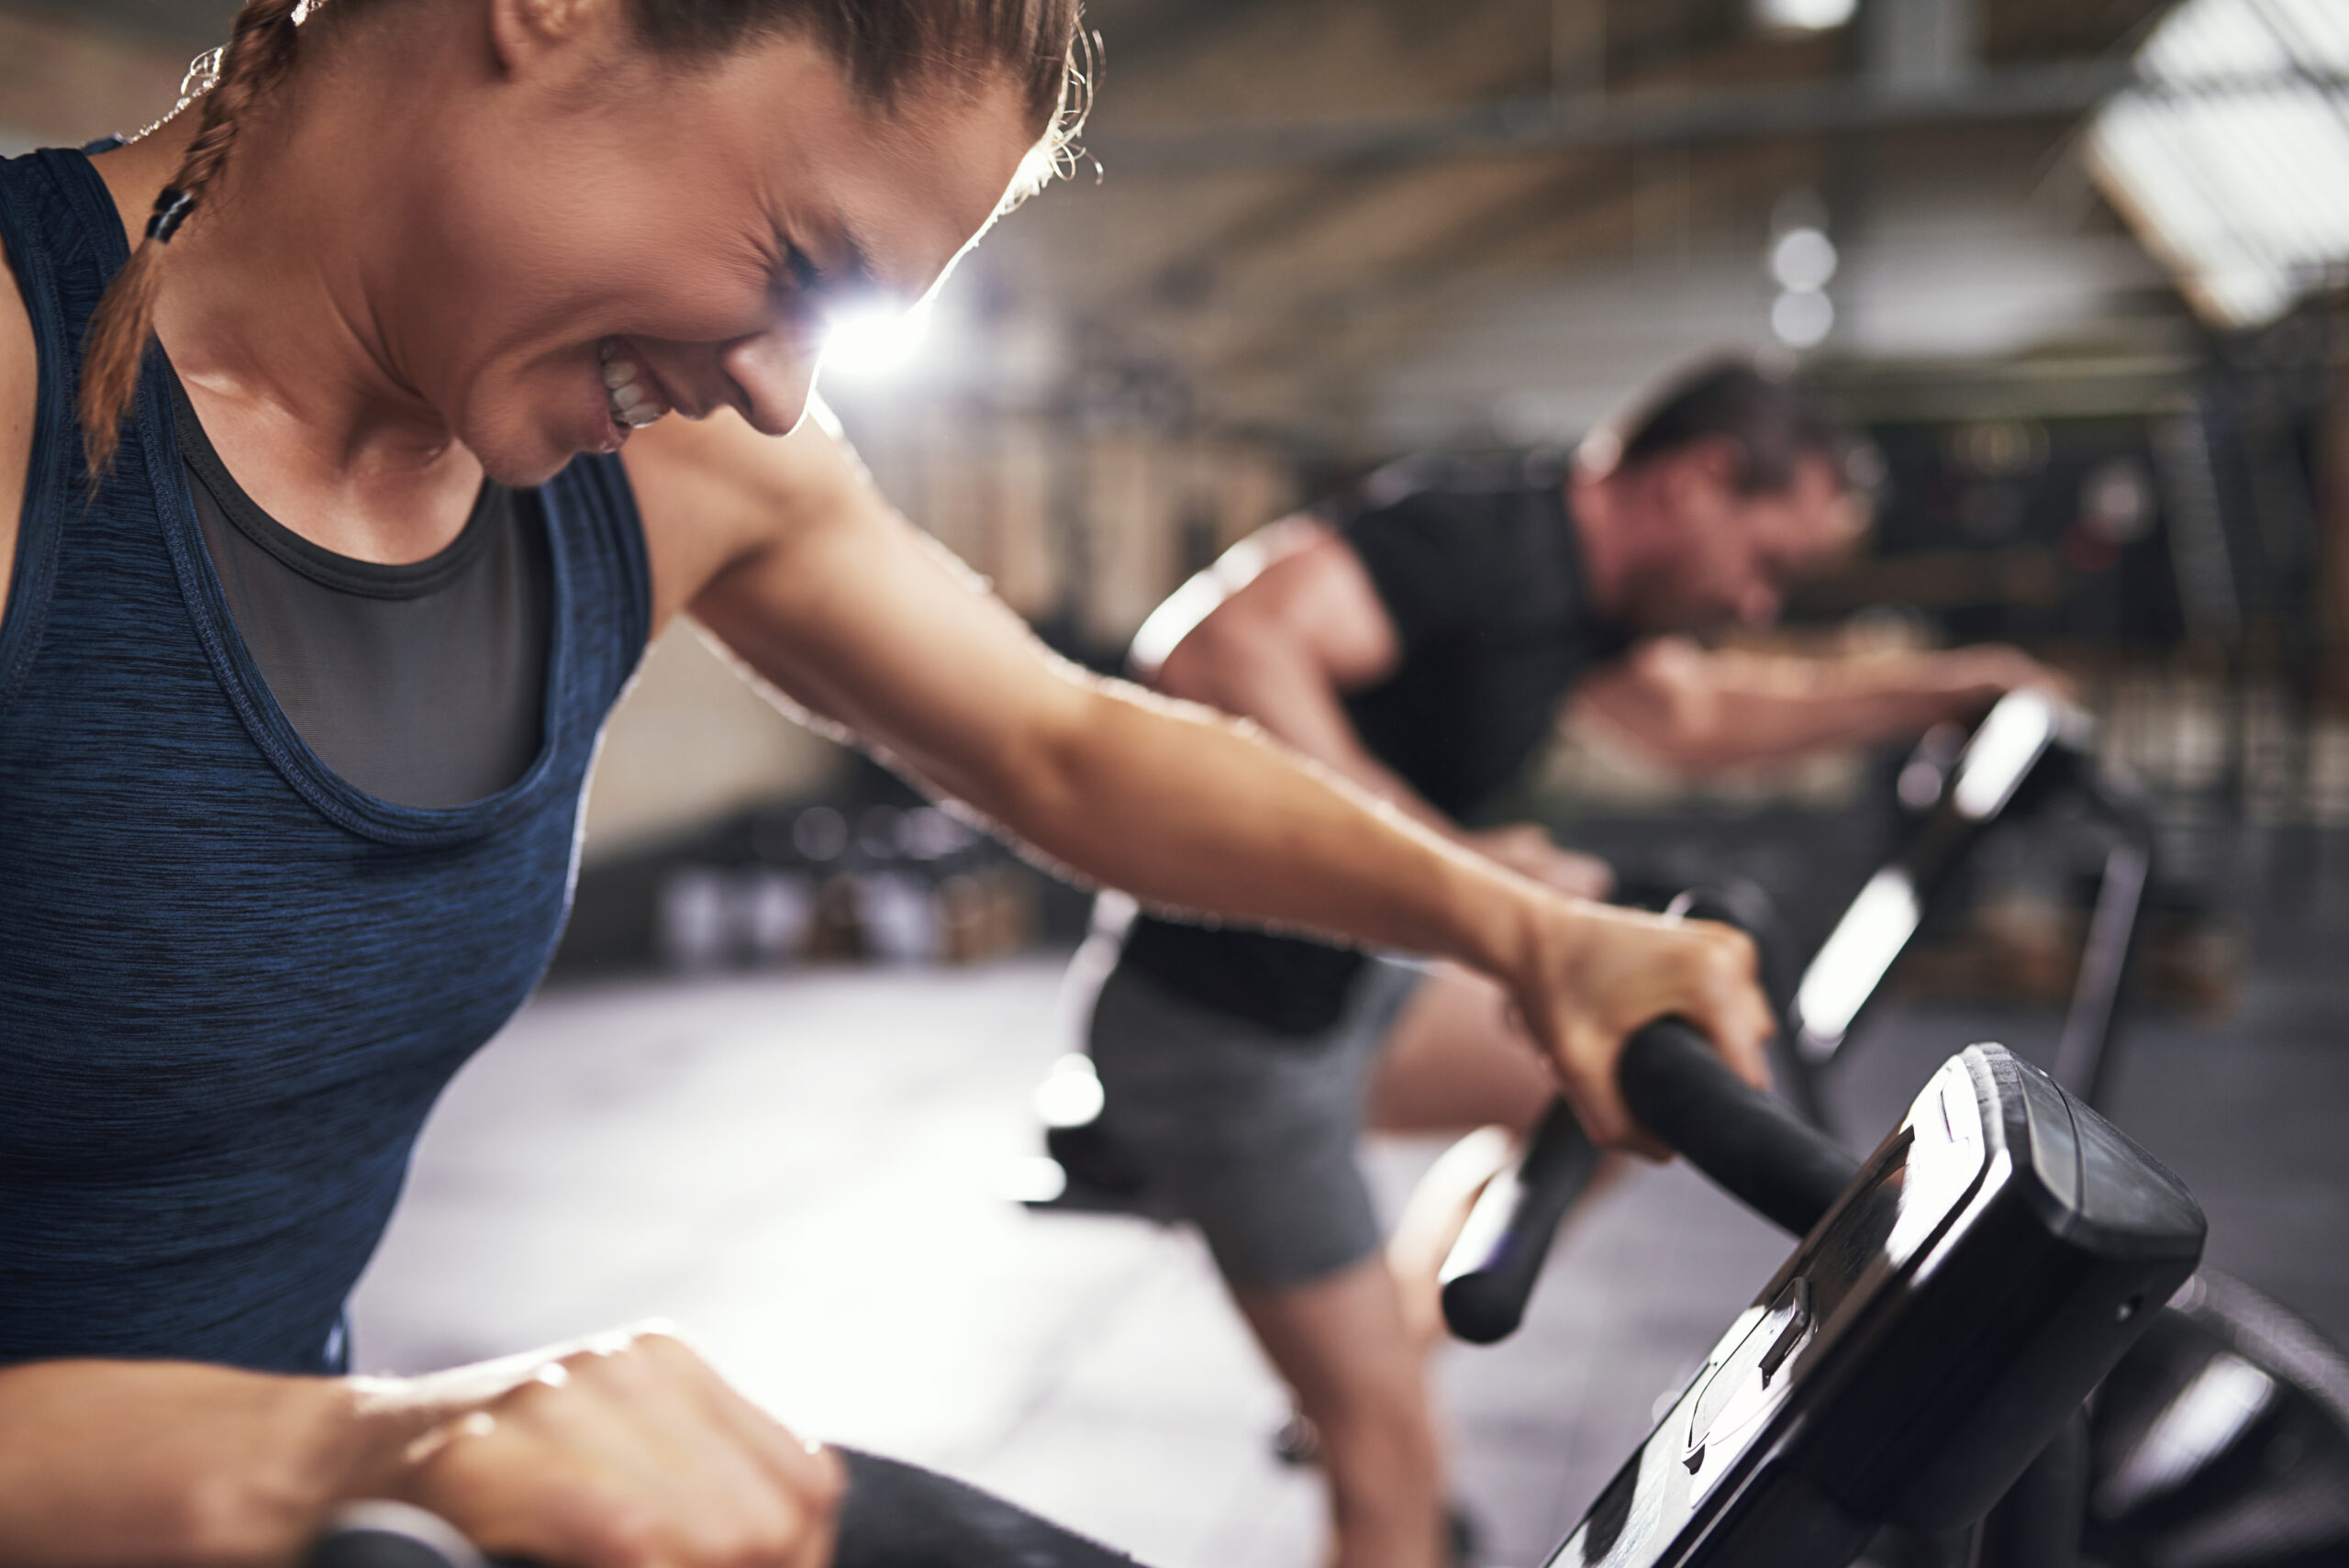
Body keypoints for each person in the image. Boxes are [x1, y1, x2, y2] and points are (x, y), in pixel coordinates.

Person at [0, 3, 1774, 1564]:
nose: (780, 395)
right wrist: (347, 1451)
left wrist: (1529, 934)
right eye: (793, 258)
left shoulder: (664, 472)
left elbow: (1060, 741)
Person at [1080, 358, 2066, 1568]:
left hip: (1353, 991)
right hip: (1221, 1037)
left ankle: (1369, 1344)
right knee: (1392, 1465)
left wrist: (1938, 692)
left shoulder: (1587, 599)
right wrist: (1466, 872)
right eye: (1768, 563)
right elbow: (1217, 649)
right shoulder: (1479, 536)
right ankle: (1356, 1396)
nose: (1758, 603)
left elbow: (1695, 719)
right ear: (1700, 480)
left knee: (1610, 1078)